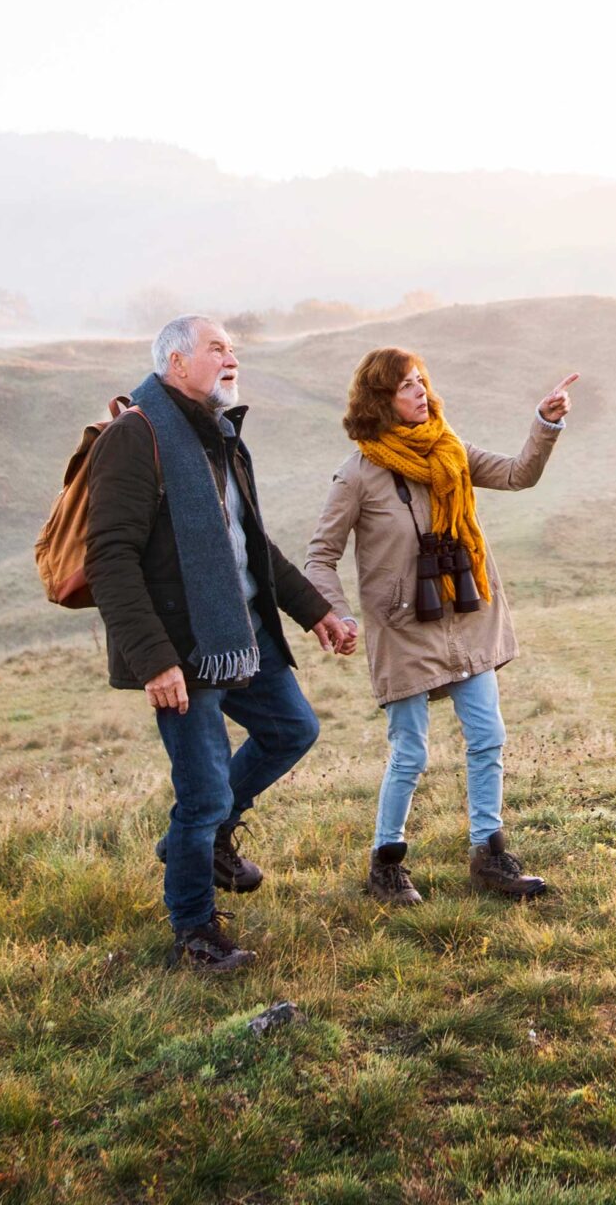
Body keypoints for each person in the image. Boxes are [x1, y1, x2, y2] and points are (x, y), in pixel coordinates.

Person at [85, 315, 358, 972]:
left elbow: (249, 544)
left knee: (292, 728)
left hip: (240, 633)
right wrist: (153, 659)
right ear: (177, 364)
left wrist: (313, 610)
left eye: (233, 350)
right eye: (217, 349)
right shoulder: (136, 437)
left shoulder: (222, 435)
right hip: (181, 648)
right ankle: (195, 932)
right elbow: (110, 558)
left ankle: (207, 840)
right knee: (202, 794)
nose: (231, 359)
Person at [304, 347, 575, 905]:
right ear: (380, 400)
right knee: (410, 752)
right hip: (403, 630)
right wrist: (340, 613)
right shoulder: (357, 474)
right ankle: (387, 864)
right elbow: (319, 557)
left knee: (488, 737)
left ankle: (490, 854)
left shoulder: (450, 450)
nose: (420, 392)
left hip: (465, 616)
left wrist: (545, 422)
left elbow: (519, 474)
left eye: (422, 381)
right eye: (406, 386)